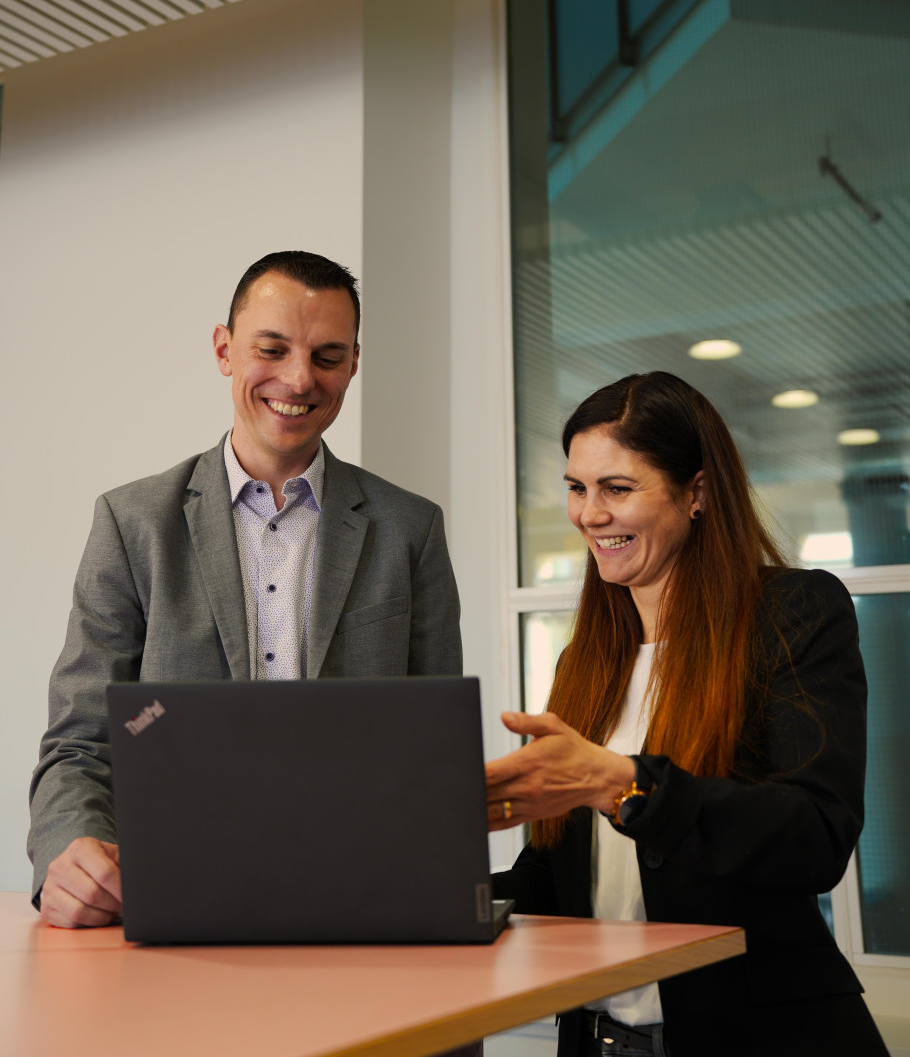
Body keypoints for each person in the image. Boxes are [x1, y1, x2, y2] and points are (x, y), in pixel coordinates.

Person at [30, 250, 462, 928]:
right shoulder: (132, 523)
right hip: (176, 906)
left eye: (326, 355)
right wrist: (66, 851)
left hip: (363, 906)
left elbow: (437, 753)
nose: (298, 378)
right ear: (224, 349)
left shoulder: (412, 528)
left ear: (353, 363)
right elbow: (80, 744)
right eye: (272, 349)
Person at [485, 372, 887, 1057]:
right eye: (577, 488)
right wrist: (420, 885)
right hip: (604, 1040)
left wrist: (623, 784)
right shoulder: (586, 657)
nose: (589, 514)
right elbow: (558, 880)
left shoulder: (792, 613)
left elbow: (815, 834)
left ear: (696, 493)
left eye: (617, 488)